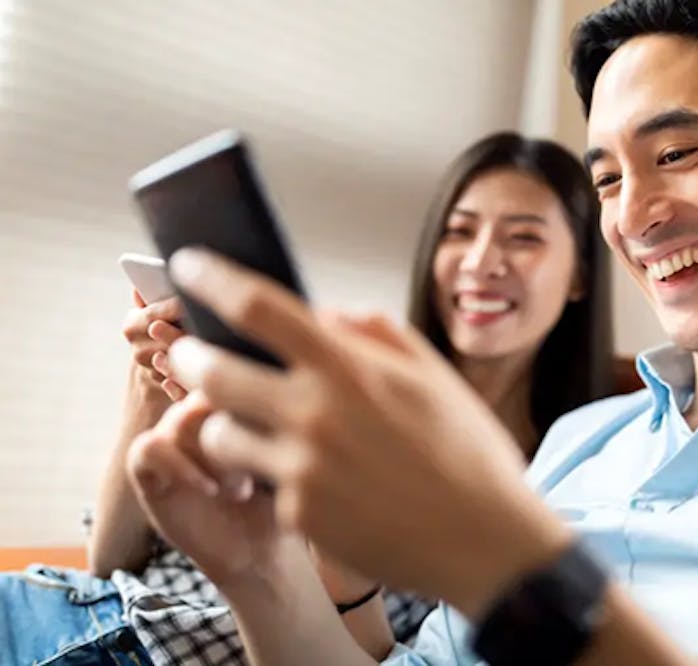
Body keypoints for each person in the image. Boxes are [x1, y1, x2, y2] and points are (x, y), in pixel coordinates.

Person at [125, 0, 698, 664]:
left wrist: (522, 579)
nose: (635, 216)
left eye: (675, 155)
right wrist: (262, 571)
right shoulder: (583, 443)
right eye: (609, 178)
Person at [0, 133, 617, 664]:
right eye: (460, 232)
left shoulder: (565, 481)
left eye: (524, 237)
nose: (481, 262)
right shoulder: (336, 382)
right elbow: (109, 562)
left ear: (581, 275)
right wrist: (148, 394)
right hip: (58, 612)